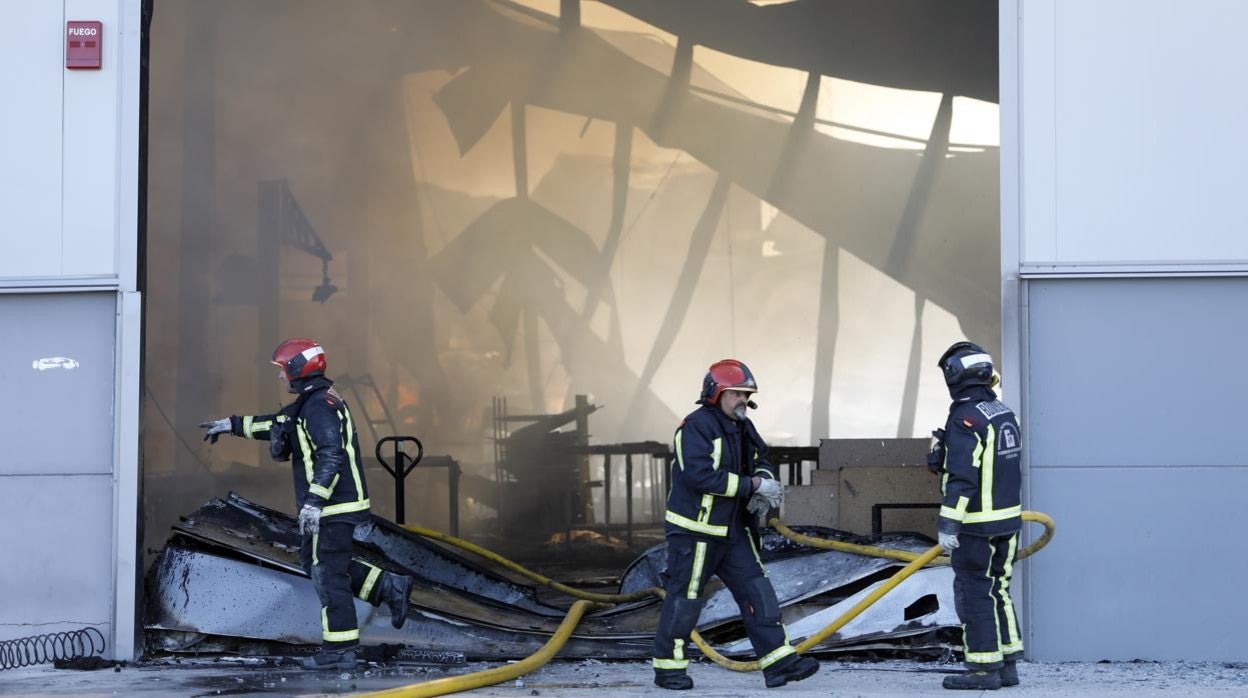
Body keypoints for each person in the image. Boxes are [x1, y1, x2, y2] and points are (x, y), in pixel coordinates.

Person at [200, 338, 414, 670]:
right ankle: (388, 586)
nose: (280, 376)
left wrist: (314, 502)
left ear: (298, 370)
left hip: (333, 505)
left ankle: (340, 651)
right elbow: (277, 425)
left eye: (282, 370)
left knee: (326, 572)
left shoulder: (317, 408)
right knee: (317, 563)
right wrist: (231, 425)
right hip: (333, 504)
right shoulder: (313, 403)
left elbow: (331, 454)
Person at [651, 359, 820, 691]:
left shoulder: (743, 426)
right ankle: (668, 667)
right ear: (716, 393)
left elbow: (762, 459)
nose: (743, 399)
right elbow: (699, 476)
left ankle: (779, 663)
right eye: (736, 393)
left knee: (757, 591)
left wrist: (765, 481)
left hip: (733, 530)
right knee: (686, 599)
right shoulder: (695, 427)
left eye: (746, 393)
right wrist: (751, 487)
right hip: (696, 531)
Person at [926, 341, 1024, 690]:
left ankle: (983, 670)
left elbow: (963, 477)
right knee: (999, 589)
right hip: (1007, 522)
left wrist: (949, 524)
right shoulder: (1001, 411)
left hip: (975, 525)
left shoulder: (964, 417)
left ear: (956, 375)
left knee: (974, 593)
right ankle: (1007, 664)